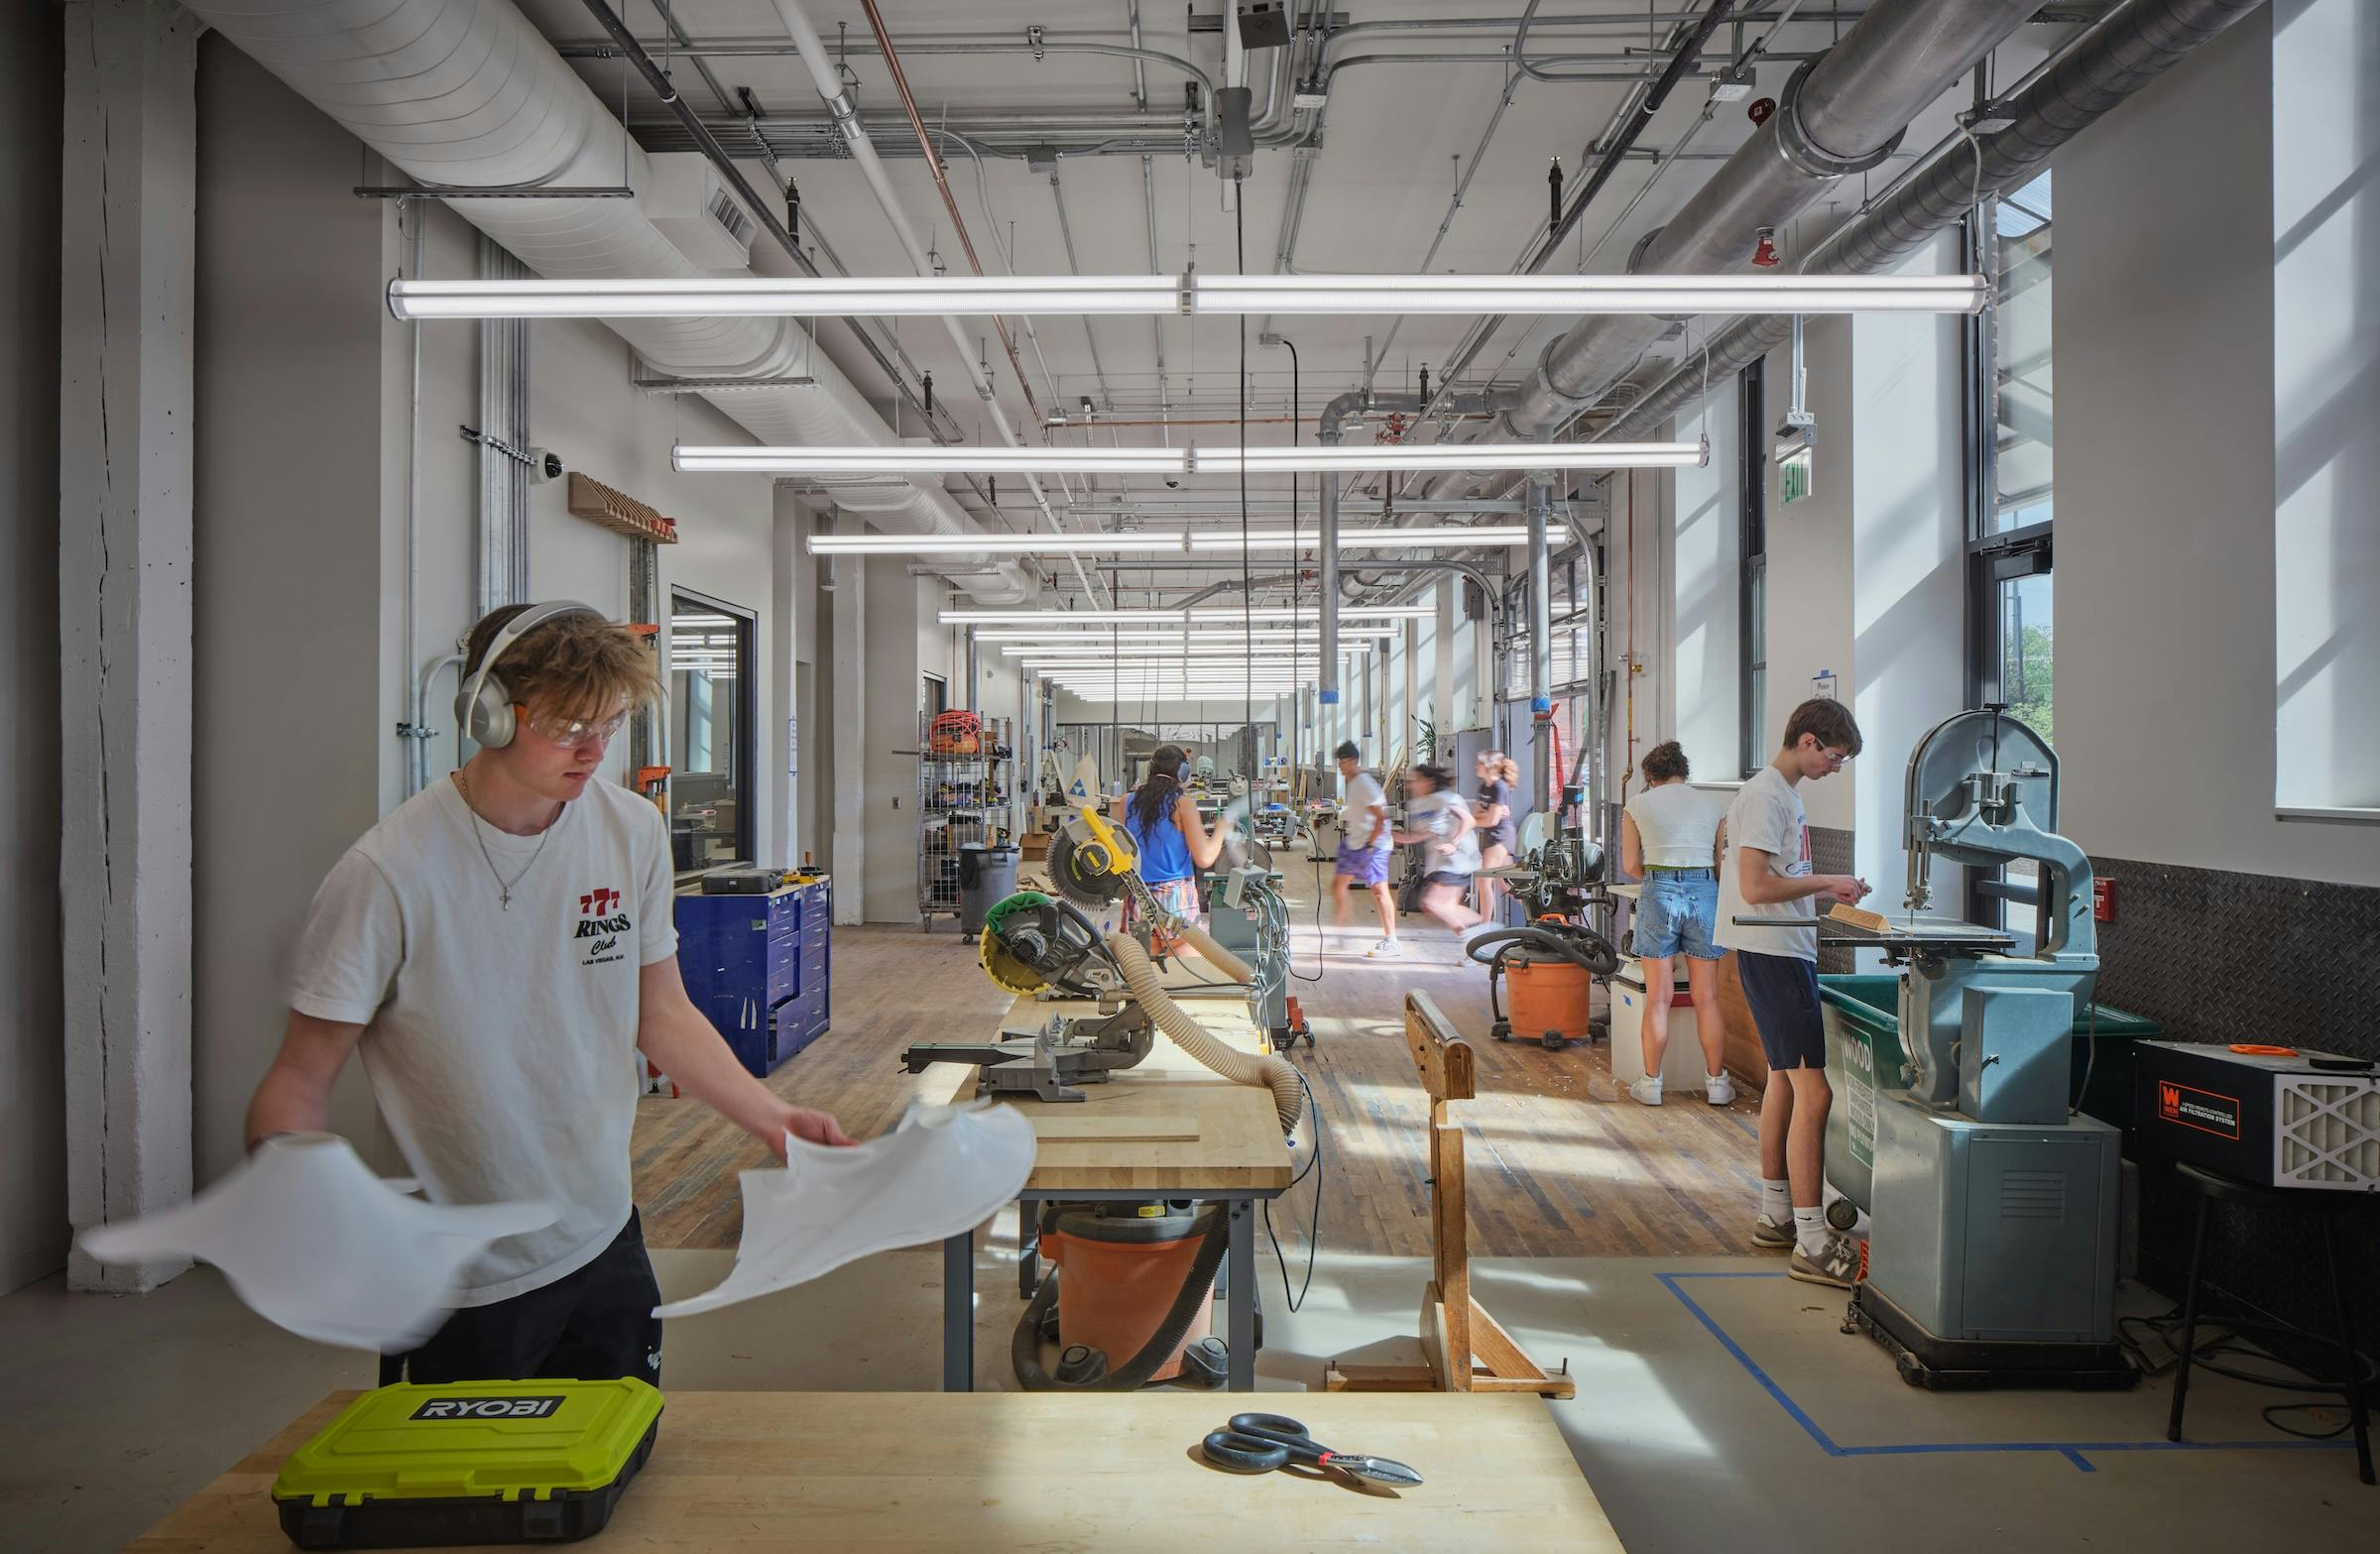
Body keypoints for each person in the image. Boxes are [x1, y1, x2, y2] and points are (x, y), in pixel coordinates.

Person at [246, 602, 853, 1386]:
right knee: (469, 1501)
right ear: (488, 714)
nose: (595, 750)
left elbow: (659, 1013)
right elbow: (300, 1073)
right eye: (570, 727)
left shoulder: (629, 830)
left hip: (604, 1234)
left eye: (611, 723)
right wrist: (292, 1195)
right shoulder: (388, 874)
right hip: (460, 1275)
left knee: (610, 1470)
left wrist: (774, 1118)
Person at [1715, 698, 1871, 1289]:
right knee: (1817, 1094)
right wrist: (1829, 882)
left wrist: (1824, 892)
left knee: (1783, 1080)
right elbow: (1755, 887)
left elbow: (1771, 879)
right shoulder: (1766, 796)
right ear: (1807, 741)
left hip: (1782, 951)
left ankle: (1778, 1214)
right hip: (1773, 954)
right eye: (1833, 757)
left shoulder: (1782, 793)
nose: (1835, 767)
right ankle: (1810, 1239)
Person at [1619, 741, 1731, 1108]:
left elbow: (1631, 865)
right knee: (1707, 997)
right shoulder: (1713, 807)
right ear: (1685, 773)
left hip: (1659, 889)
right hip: (1705, 890)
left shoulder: (1637, 806)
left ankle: (1651, 1084)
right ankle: (1716, 1083)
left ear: (1650, 776)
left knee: (1658, 997)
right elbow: (1719, 863)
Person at [1122, 742, 1235, 954]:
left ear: (1151, 770)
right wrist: (1221, 829)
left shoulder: (1127, 802)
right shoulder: (1182, 804)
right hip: (1175, 900)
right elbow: (1204, 858)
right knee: (1184, 979)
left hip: (1138, 898)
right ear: (1183, 773)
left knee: (1144, 980)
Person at [1396, 763, 1486, 938]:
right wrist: (1393, 837)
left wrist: (1453, 843)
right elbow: (1420, 835)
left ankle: (1482, 932)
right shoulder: (1417, 805)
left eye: (1415, 780)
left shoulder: (1447, 798)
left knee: (1433, 904)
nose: (1411, 784)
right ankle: (1479, 940)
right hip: (1440, 863)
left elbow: (1469, 820)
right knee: (1446, 909)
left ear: (1429, 781)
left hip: (1459, 859)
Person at [1330, 740, 1400, 958]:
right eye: (1339, 762)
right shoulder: (1352, 783)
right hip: (1355, 842)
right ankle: (1343, 935)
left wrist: (1370, 846)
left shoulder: (1364, 784)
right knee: (1337, 886)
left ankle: (1392, 941)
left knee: (1379, 891)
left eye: (1342, 761)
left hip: (1374, 844)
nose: (1339, 766)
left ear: (1353, 761)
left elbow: (1381, 818)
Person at [1472, 750, 1520, 918]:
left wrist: (1478, 819)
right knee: (1506, 885)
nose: (1476, 766)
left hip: (1500, 836)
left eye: (1480, 763)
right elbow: (1479, 815)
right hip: (1491, 835)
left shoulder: (1500, 787)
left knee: (1484, 880)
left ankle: (1484, 926)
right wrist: (1484, 816)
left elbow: (1489, 821)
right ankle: (1536, 913)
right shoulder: (1483, 786)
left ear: (1489, 766)